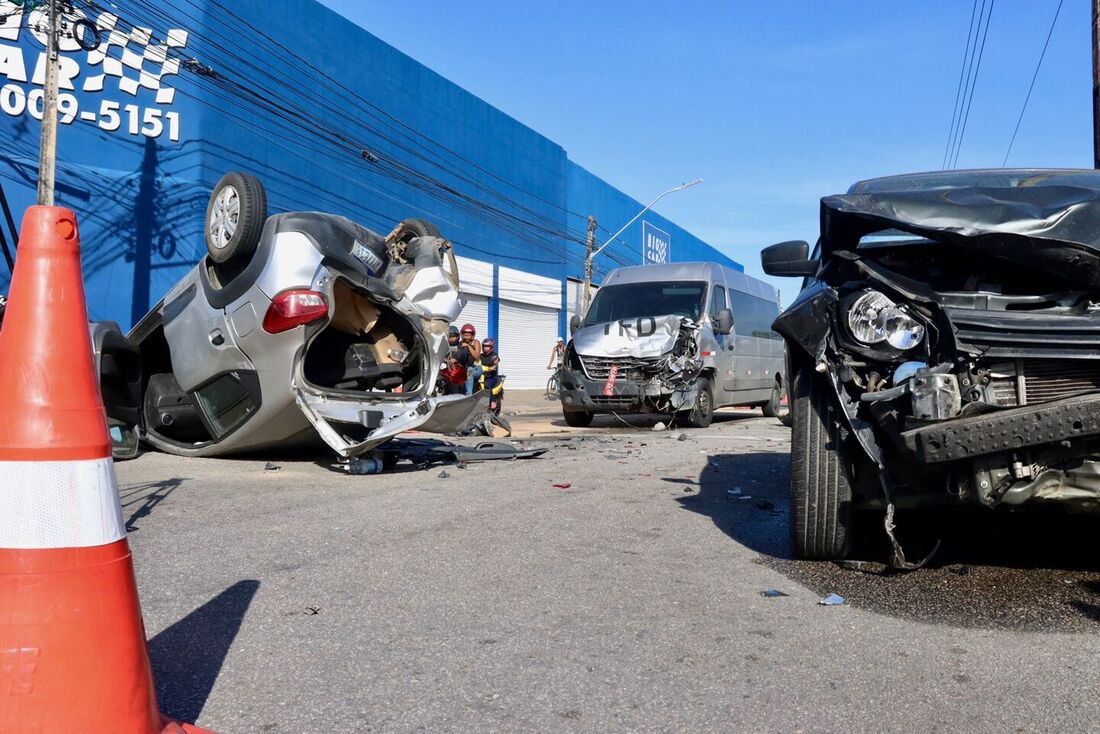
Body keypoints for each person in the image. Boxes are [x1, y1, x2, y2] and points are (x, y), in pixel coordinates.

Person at [458, 323, 482, 394]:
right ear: (462, 335)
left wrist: (468, 346)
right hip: (464, 367)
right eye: (465, 335)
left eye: (469, 335)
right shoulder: (460, 343)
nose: (467, 337)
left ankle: (469, 395)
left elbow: (477, 356)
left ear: (472, 335)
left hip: (476, 367)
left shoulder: (476, 342)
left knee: (469, 372)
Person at [479, 337, 502, 412]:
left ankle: (492, 401)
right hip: (481, 376)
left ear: (491, 347)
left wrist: (493, 367)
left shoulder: (494, 355)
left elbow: (496, 361)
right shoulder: (480, 356)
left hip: (491, 377)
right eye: (484, 346)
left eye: (487, 346)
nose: (485, 348)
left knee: (487, 385)